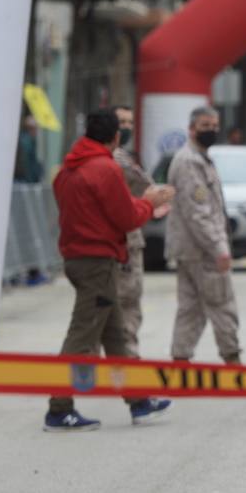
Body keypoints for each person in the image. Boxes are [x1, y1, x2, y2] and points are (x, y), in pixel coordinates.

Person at [49, 108, 175, 431]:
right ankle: (59, 408)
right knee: (81, 336)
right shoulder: (105, 168)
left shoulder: (69, 168)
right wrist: (149, 201)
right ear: (116, 137)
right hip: (97, 263)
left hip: (79, 258)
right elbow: (126, 218)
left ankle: (139, 402)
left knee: (115, 335)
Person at [167, 106, 241, 365]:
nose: (211, 131)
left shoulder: (200, 158)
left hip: (191, 250)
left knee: (190, 309)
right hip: (202, 251)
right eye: (205, 126)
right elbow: (198, 213)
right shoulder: (189, 162)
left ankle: (180, 363)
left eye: (214, 126)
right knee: (222, 305)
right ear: (191, 128)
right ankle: (233, 363)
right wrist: (219, 248)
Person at [112, 105, 152, 357]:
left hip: (129, 238)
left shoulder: (124, 156)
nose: (126, 127)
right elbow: (145, 188)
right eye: (121, 122)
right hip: (122, 240)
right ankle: (128, 359)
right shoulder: (116, 160)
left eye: (130, 122)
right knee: (125, 303)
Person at [13, 114, 43, 183]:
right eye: (35, 128)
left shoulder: (30, 140)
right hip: (23, 179)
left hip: (23, 178)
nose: (36, 131)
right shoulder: (26, 141)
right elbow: (27, 163)